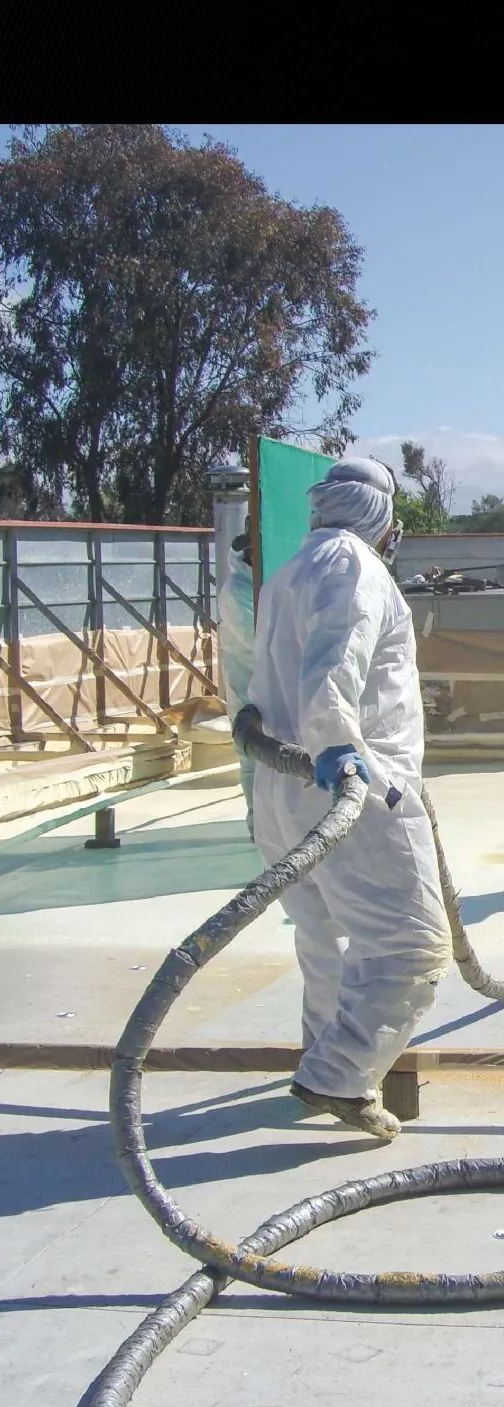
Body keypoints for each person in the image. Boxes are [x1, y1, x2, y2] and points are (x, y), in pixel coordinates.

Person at [245, 457, 449, 1142]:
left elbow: (266, 678)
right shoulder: (355, 566)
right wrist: (337, 747)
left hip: (282, 788)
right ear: (380, 516)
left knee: (326, 936)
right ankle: (339, 1075)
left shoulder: (289, 571)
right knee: (410, 945)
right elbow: (337, 660)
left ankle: (321, 1056)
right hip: (351, 787)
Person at [216, 523, 257, 838]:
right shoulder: (236, 590)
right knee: (254, 760)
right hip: (247, 688)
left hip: (266, 687)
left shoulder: (263, 585)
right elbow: (256, 639)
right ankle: (259, 827)